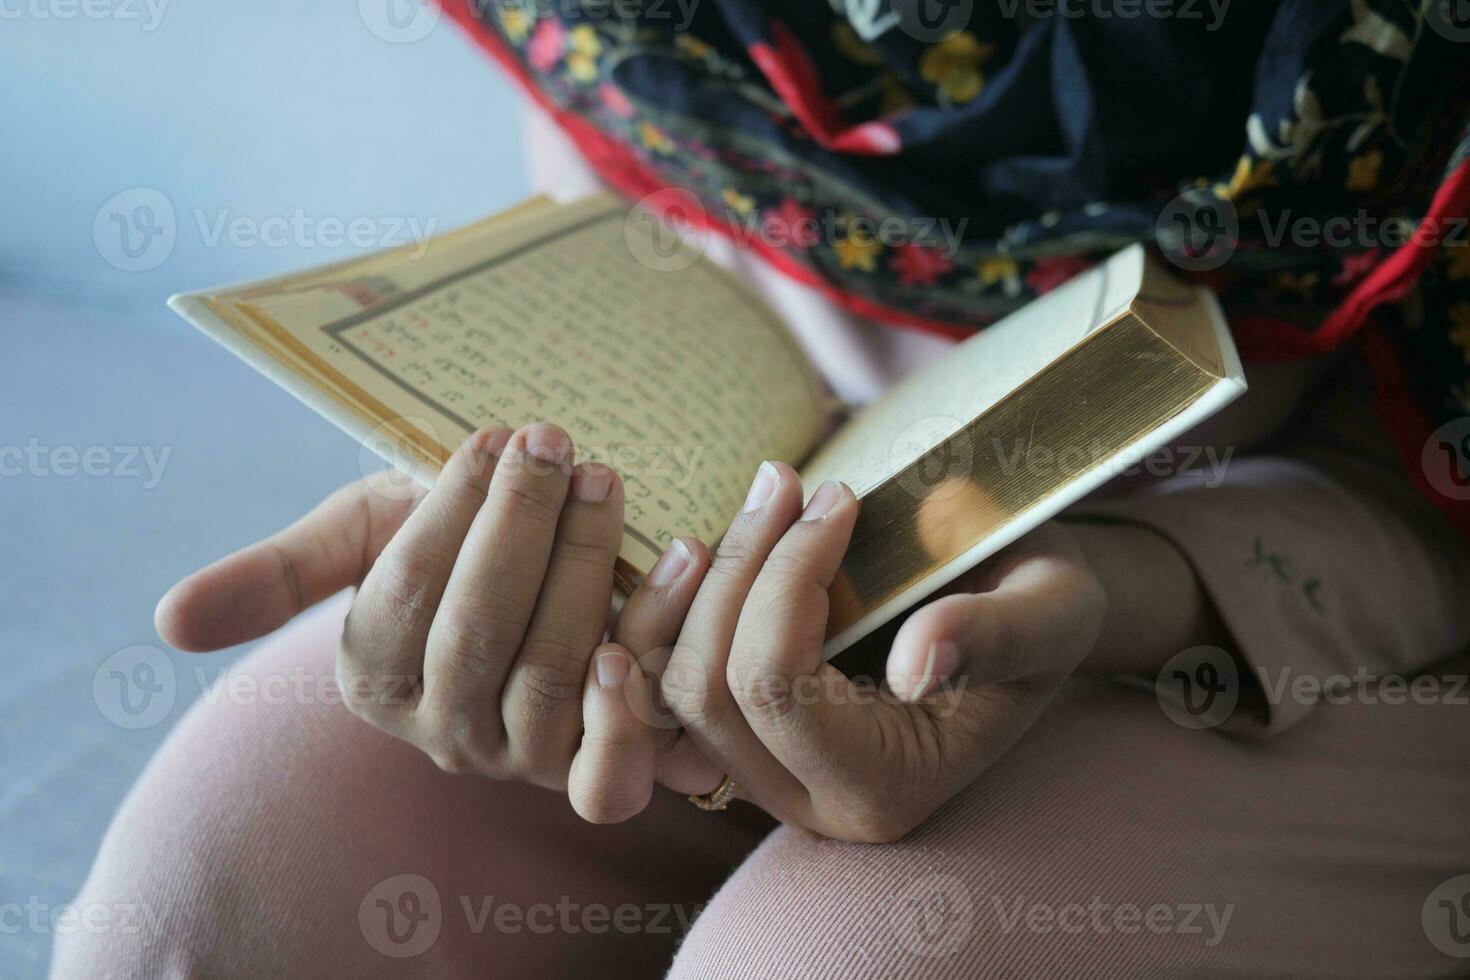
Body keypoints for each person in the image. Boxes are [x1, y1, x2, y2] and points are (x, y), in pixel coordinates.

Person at [54, 3, 1470, 976]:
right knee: (227, 891)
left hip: (1347, 579)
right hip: (729, 520)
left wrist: (1127, 589)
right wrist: (537, 513)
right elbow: (655, 186)